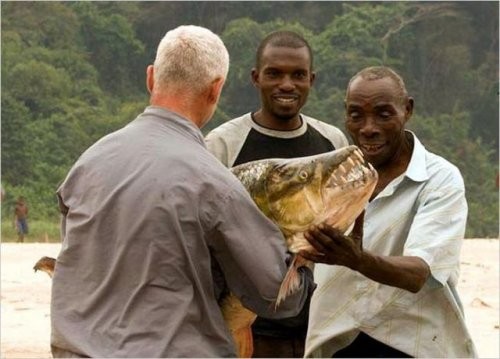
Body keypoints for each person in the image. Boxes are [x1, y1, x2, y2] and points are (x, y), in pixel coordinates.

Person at [50, 25, 314, 358]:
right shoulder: (215, 182)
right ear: (216, 89)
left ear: (150, 78)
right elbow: (277, 296)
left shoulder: (87, 164)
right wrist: (303, 263)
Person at [301, 66, 477, 358]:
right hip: (333, 345)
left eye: (383, 114)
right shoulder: (332, 178)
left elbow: (419, 273)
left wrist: (358, 260)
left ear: (407, 109)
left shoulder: (439, 180)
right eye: (356, 115)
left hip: (411, 346)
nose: (368, 127)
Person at [205, 30, 349, 358]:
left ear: (311, 79)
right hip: (244, 328)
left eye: (298, 75)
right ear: (256, 78)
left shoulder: (333, 144)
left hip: (316, 328)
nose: (287, 84)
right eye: (274, 74)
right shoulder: (223, 144)